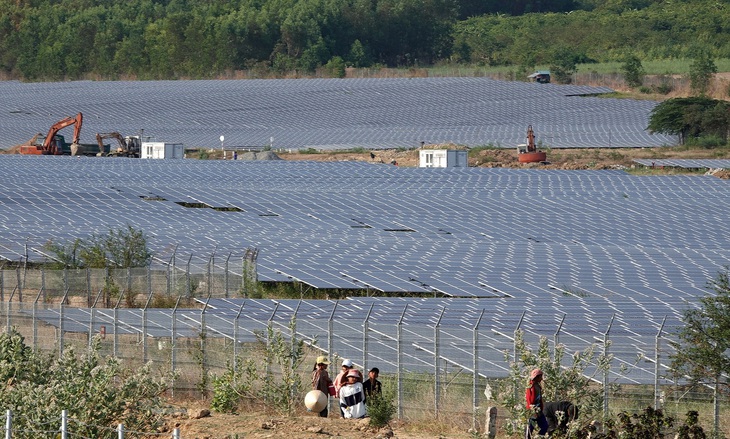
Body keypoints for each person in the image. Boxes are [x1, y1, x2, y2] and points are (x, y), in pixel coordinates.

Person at [525, 368, 548, 439]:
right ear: (537, 377)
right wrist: (532, 410)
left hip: (538, 410)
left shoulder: (537, 386)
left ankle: (539, 437)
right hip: (532, 411)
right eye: (540, 376)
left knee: (545, 426)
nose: (541, 378)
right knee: (530, 428)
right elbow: (529, 400)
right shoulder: (531, 387)